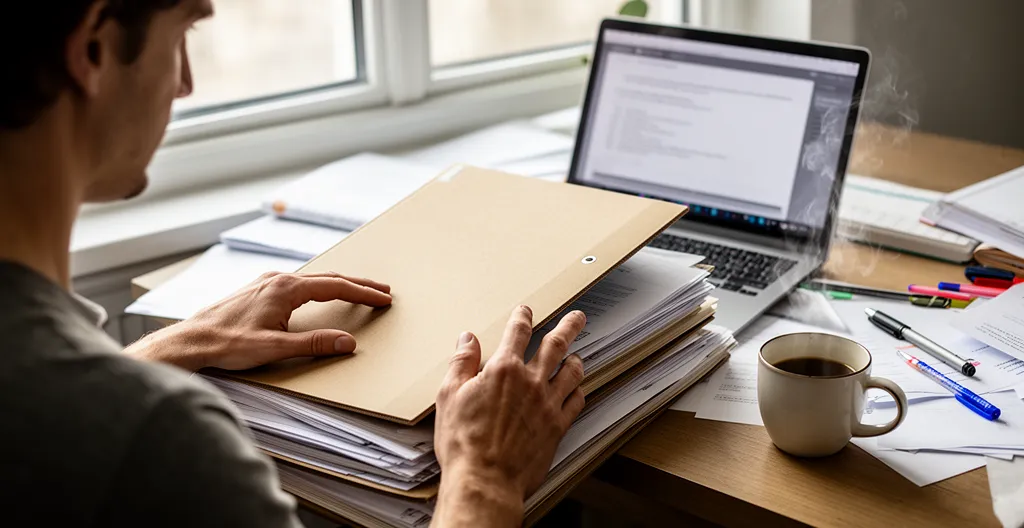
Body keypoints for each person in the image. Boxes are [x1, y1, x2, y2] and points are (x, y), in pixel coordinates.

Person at [0, 1, 588, 526]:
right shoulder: (160, 439)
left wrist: (174, 344)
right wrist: (485, 480)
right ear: (94, 48)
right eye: (180, 34)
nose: (184, 82)